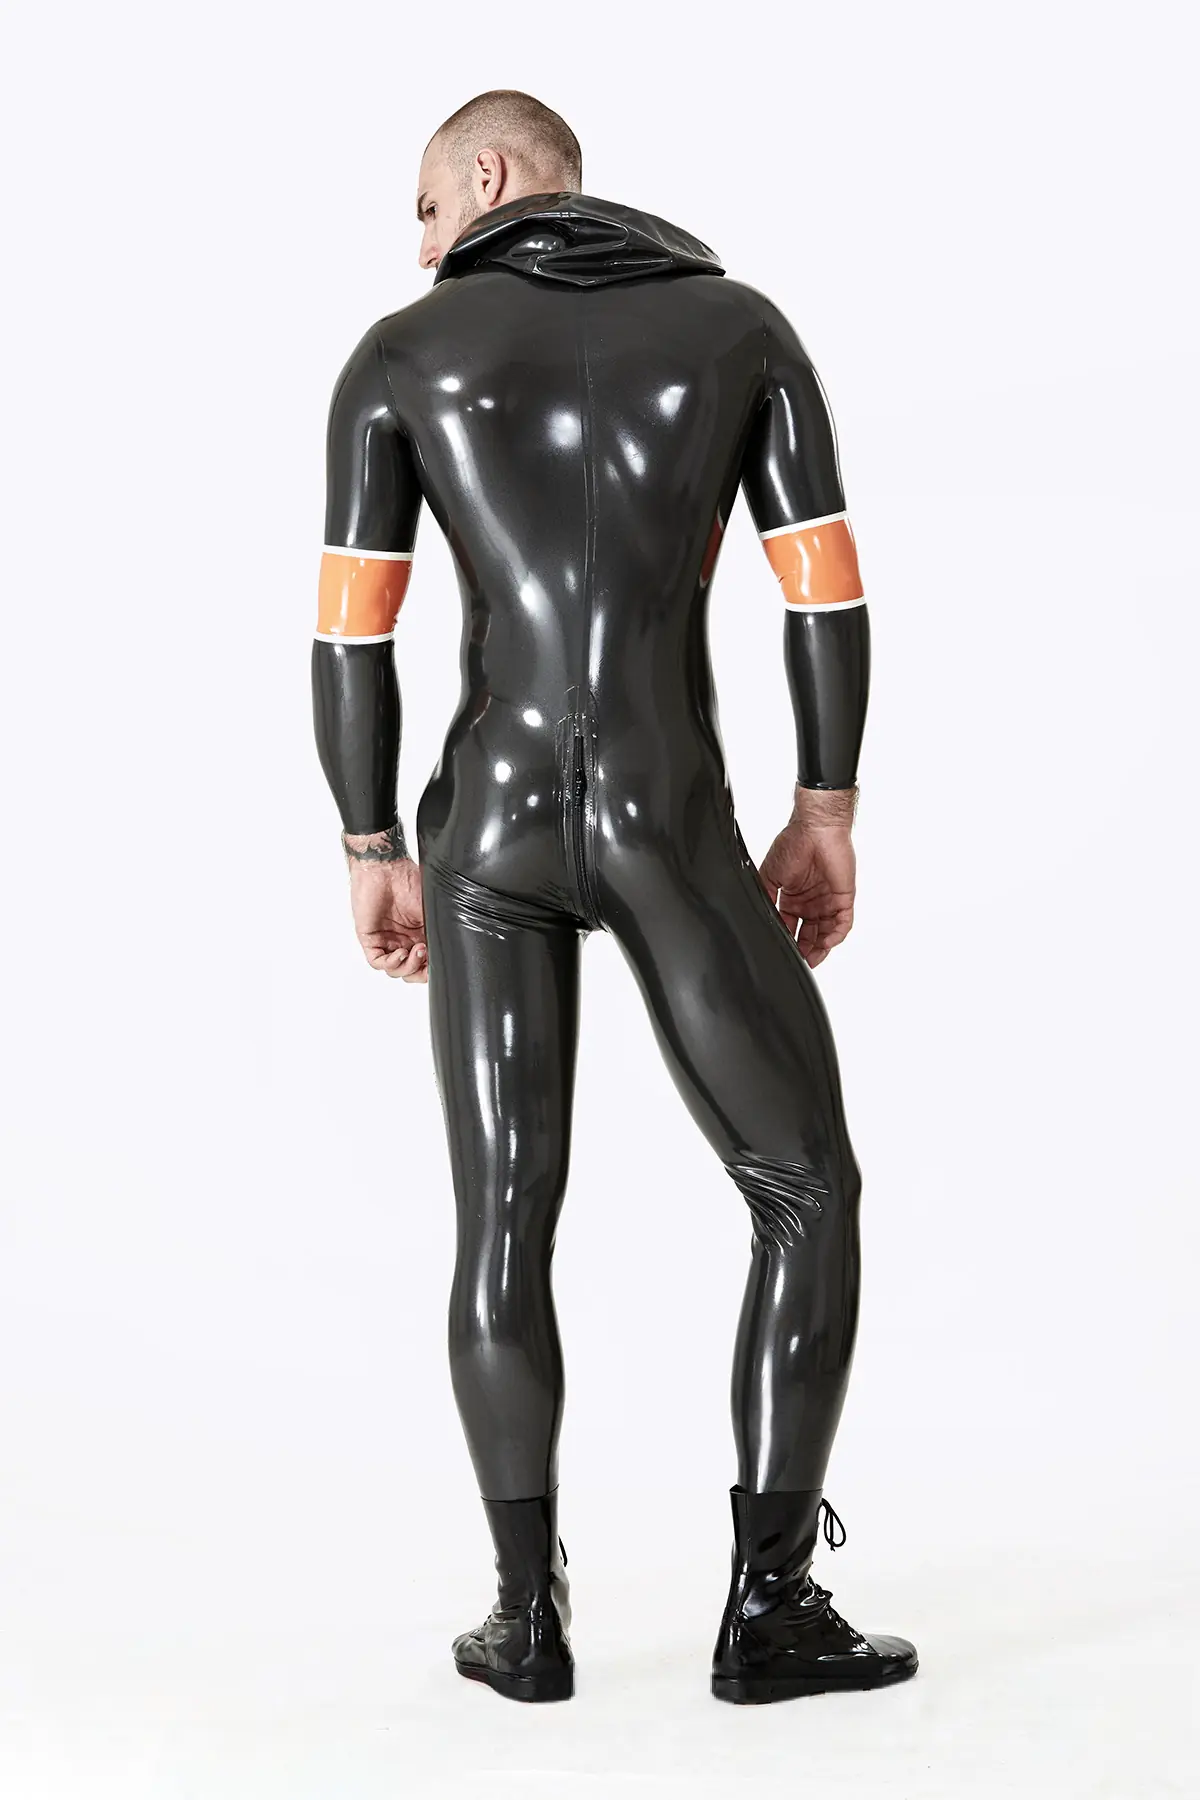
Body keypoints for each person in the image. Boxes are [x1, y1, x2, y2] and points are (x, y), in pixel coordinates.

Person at [312, 88, 917, 1706]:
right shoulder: (741, 332)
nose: (419, 247)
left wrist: (370, 846)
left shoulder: (400, 358)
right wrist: (826, 811)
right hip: (668, 819)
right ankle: (771, 1607)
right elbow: (826, 591)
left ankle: (525, 1622)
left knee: (503, 1220)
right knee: (807, 1191)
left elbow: (351, 637)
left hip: (488, 832)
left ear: (488, 176)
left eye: (425, 208)